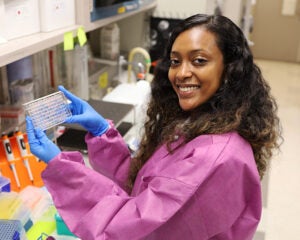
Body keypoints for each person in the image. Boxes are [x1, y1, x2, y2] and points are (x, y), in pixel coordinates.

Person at [26, 14, 282, 240]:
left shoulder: (215, 158)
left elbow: (134, 227)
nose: (181, 73)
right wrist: (103, 134)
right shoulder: (202, 124)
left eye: (199, 61)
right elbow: (144, 186)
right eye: (175, 61)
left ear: (229, 70)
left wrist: (61, 167)